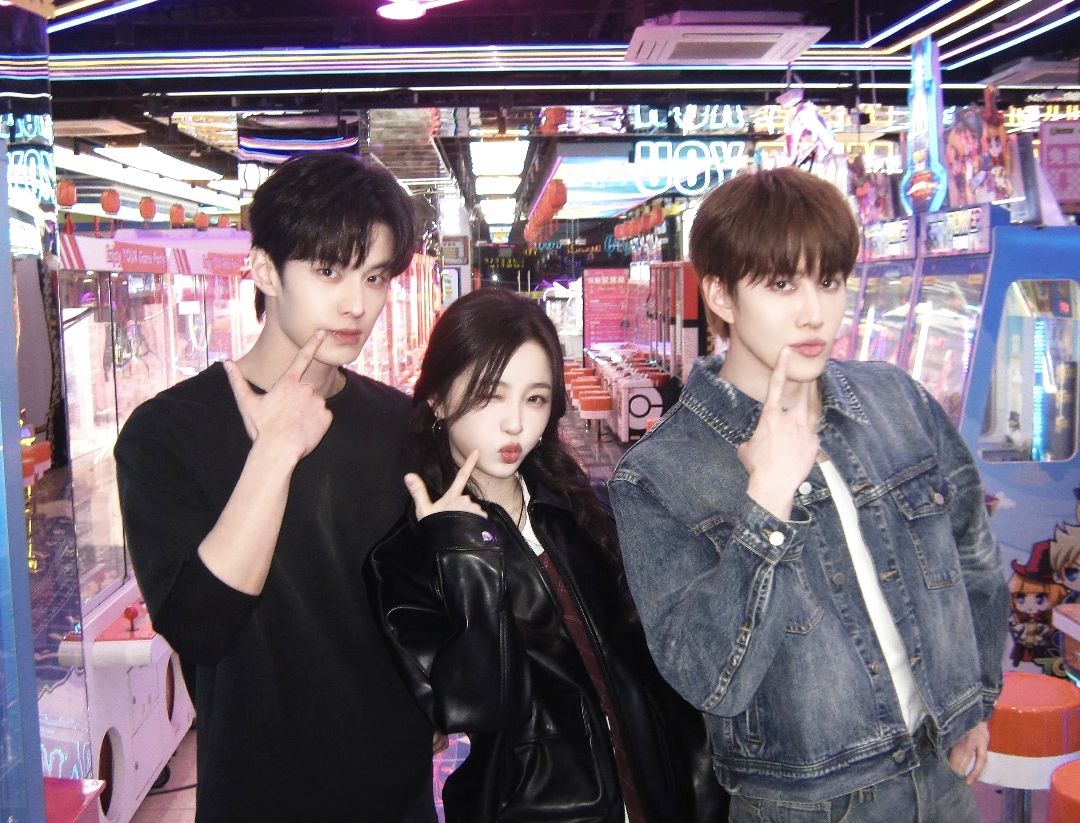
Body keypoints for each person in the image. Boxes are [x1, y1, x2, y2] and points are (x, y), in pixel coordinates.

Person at [608, 167, 1010, 823]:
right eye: (780, 284)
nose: (814, 312)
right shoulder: (658, 475)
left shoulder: (894, 399)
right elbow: (711, 678)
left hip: (940, 775)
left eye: (829, 280)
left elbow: (975, 556)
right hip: (807, 806)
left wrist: (973, 701)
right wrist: (766, 500)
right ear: (721, 294)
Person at [114, 152, 439, 823]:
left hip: (395, 789)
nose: (357, 304)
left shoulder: (401, 424)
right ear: (265, 271)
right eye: (329, 270)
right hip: (257, 792)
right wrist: (274, 451)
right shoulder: (166, 432)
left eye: (375, 276)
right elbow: (200, 627)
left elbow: (421, 604)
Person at [366, 288, 728, 823]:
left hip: (654, 794)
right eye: (490, 396)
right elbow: (483, 706)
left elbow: (653, 662)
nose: (515, 423)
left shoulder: (577, 509)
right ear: (438, 399)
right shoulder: (408, 557)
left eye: (535, 399)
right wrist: (463, 553)